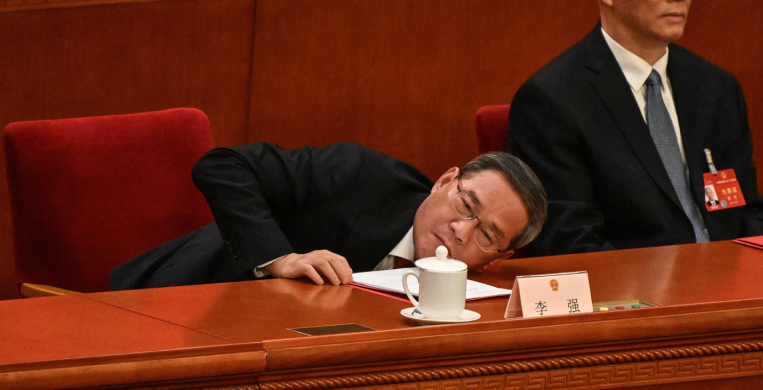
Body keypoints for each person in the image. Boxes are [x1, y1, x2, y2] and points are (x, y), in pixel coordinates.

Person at [508, 0, 763, 257]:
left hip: (727, 288)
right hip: (635, 297)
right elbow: (570, 244)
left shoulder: (716, 88)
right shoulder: (552, 101)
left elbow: (746, 214)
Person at [110, 141, 547, 289]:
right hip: (188, 295)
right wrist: (281, 259)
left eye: (486, 234)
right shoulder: (359, 174)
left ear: (498, 259)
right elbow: (221, 165)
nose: (460, 229)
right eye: (465, 205)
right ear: (444, 180)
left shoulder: (474, 289)